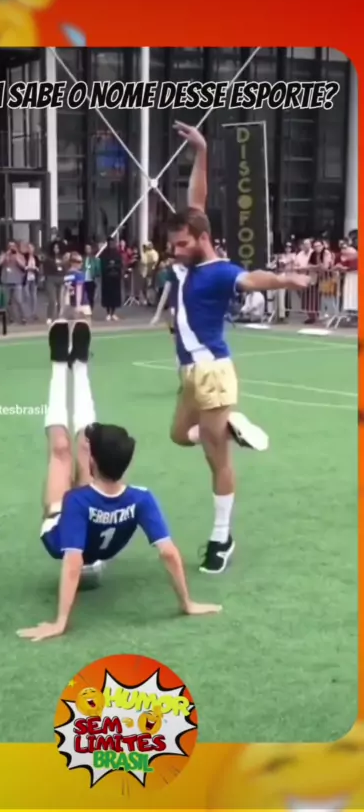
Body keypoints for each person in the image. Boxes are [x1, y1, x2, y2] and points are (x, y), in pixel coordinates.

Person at [162, 122, 311, 575]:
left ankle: (221, 537)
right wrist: (201, 150)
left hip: (213, 373)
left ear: (202, 239)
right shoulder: (190, 253)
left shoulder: (222, 272)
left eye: (181, 244)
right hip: (190, 373)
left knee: (216, 459)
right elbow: (197, 199)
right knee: (178, 435)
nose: (175, 251)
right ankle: (228, 425)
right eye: (173, 245)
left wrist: (285, 279)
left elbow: (252, 279)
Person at [17, 319, 221, 642]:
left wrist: (60, 622)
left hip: (59, 534)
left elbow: (72, 562)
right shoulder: (142, 498)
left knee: (60, 451)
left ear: (94, 462)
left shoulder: (75, 501)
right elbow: (168, 552)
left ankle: (59, 366)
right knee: (77, 446)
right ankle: (79, 365)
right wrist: (187, 603)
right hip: (94, 530)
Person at [100, 237, 122, 320]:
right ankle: (108, 312)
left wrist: (114, 265)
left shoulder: (117, 253)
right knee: (107, 296)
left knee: (115, 296)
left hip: (115, 278)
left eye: (112, 243)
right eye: (110, 243)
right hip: (107, 278)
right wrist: (109, 266)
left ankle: (113, 313)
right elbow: (102, 264)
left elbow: (120, 264)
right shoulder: (104, 253)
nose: (111, 245)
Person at [63, 252, 92, 317]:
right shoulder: (79, 275)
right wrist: (78, 305)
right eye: (79, 262)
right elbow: (79, 289)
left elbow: (66, 291)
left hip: (71, 304)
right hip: (82, 304)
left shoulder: (66, 275)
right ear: (72, 263)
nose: (81, 263)